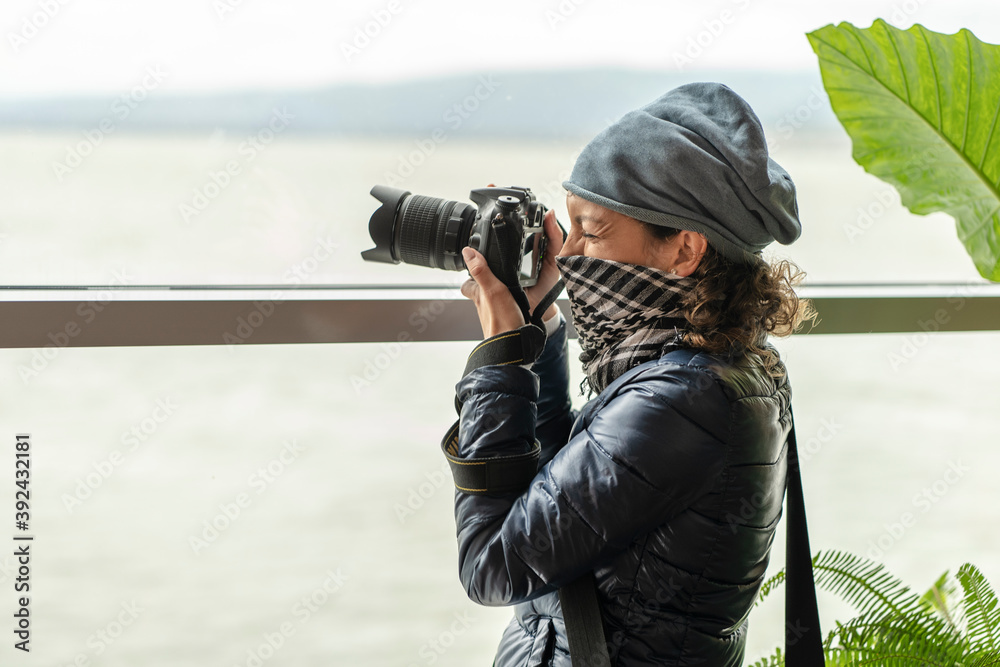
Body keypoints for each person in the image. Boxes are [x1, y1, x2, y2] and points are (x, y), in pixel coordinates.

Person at [453, 82, 814, 666]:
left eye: (590, 232)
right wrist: (538, 327)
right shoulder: (728, 363)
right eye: (566, 228)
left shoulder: (685, 400)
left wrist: (499, 358)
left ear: (684, 251)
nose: (566, 256)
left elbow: (491, 564)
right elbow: (565, 490)